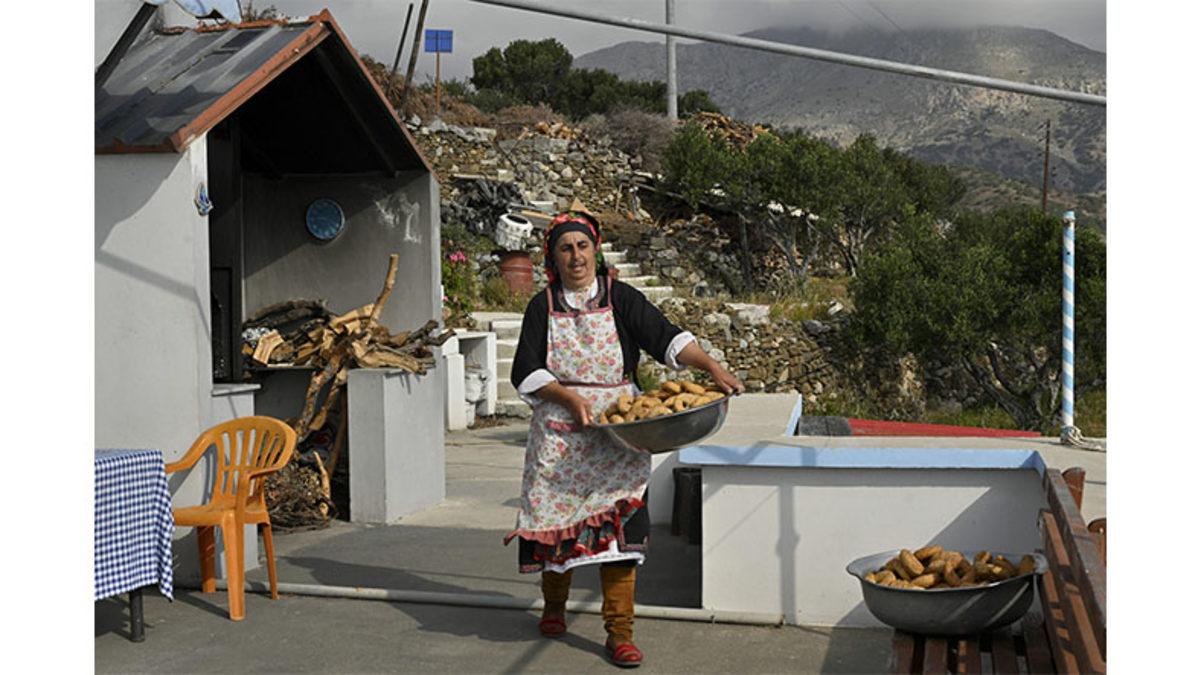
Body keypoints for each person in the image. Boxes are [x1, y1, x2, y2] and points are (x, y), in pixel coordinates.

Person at [505, 211, 743, 667]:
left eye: (582, 246)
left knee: (619, 533)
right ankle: (554, 607)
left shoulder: (621, 297)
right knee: (555, 529)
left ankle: (620, 633)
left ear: (596, 250)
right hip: (560, 439)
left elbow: (666, 338)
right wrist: (568, 397)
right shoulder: (542, 306)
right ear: (553, 258)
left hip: (620, 436)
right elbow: (526, 370)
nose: (576, 256)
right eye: (565, 248)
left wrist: (711, 366)